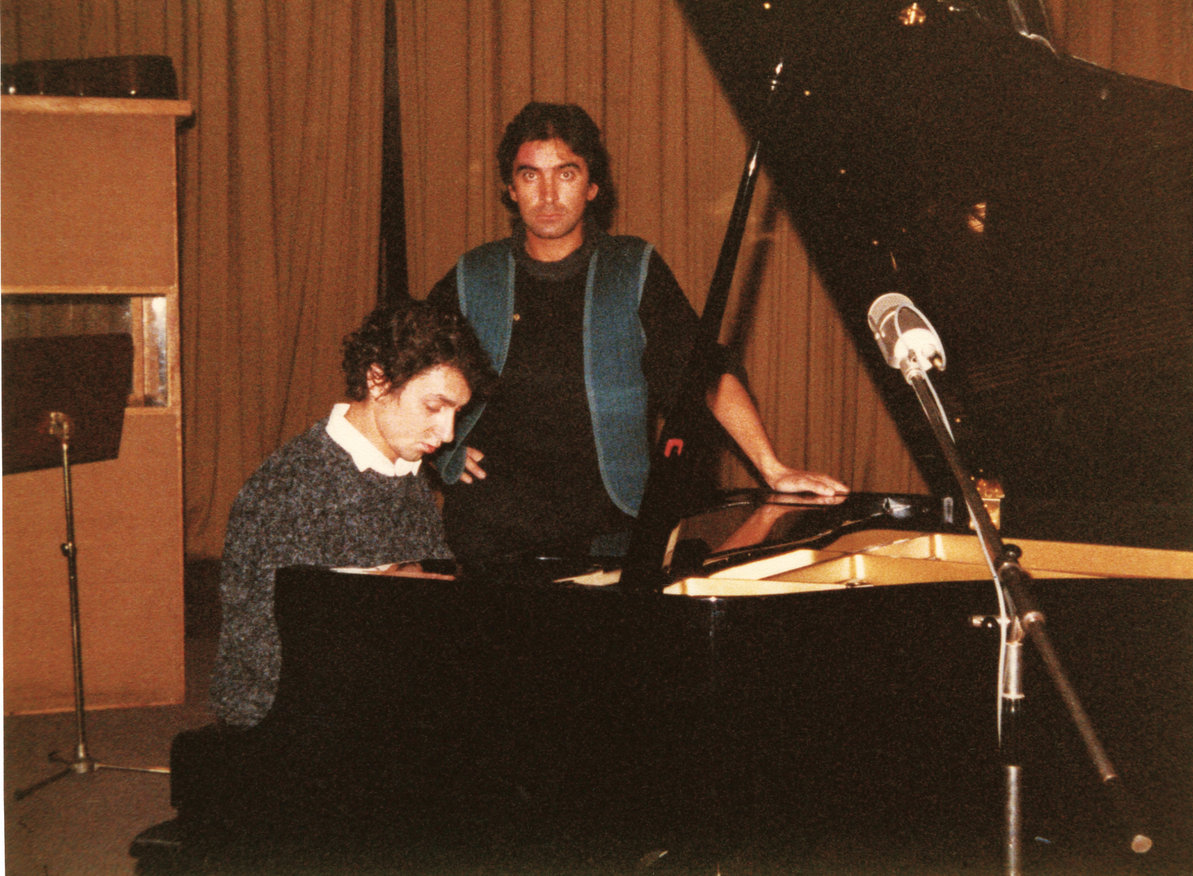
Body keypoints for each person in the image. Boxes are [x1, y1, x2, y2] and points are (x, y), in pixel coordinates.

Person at [426, 101, 847, 564]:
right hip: (490, 531)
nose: (547, 195)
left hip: (611, 529)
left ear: (592, 186)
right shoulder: (474, 274)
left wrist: (772, 468)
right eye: (530, 176)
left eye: (566, 174)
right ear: (510, 188)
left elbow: (703, 372)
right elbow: (404, 372)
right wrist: (443, 452)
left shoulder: (632, 268)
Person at [209, 300, 496, 728]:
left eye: (457, 412)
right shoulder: (290, 486)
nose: (448, 432)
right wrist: (381, 598)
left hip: (376, 691)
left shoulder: (406, 473)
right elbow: (268, 655)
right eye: (434, 407)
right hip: (287, 712)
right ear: (378, 380)